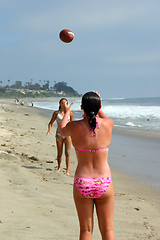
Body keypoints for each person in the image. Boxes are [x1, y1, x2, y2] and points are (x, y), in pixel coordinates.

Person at [60, 92, 114, 240]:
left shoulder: (74, 126)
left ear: (82, 107)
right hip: (104, 182)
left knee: (86, 230)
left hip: (83, 182)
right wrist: (97, 103)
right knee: (108, 230)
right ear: (100, 107)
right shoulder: (108, 124)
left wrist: (67, 111)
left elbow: (61, 128)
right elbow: (103, 117)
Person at [46, 98, 74, 175]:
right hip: (59, 134)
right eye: (62, 103)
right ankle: (59, 167)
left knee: (67, 153)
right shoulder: (56, 113)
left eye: (65, 103)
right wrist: (49, 130)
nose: (64, 105)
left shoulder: (70, 114)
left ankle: (67, 170)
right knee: (59, 152)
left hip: (68, 135)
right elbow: (50, 123)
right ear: (59, 104)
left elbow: (73, 125)